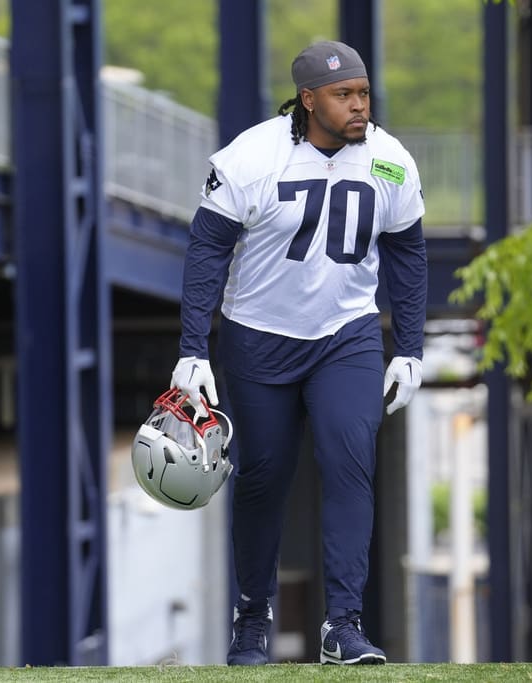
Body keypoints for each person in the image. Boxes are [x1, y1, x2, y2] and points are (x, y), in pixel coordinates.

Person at [170, 40, 427, 666]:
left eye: (363, 93)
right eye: (345, 95)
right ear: (309, 100)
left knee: (349, 461)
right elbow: (206, 251)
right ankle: (252, 620)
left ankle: (344, 624)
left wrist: (411, 349)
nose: (360, 106)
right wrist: (193, 349)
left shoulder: (390, 162)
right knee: (263, 478)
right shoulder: (251, 157)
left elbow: (407, 253)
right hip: (258, 336)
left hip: (347, 335)